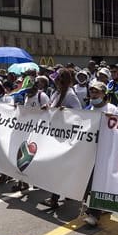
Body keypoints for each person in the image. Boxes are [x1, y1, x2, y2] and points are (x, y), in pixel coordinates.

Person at [41, 68, 82, 208]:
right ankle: (67, 191)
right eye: (55, 80)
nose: (55, 82)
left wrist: (66, 111)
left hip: (65, 136)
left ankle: (54, 198)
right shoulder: (55, 93)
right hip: (54, 134)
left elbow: (79, 112)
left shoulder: (70, 94)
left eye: (58, 80)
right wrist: (47, 107)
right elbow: (52, 107)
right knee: (58, 167)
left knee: (59, 167)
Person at [83, 81, 118, 226]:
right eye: (91, 92)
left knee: (98, 182)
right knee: (89, 182)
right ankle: (99, 207)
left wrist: (113, 120)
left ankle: (94, 214)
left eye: (97, 92)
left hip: (105, 151)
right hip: (89, 150)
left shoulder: (112, 109)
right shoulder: (87, 108)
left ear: (104, 94)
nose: (93, 94)